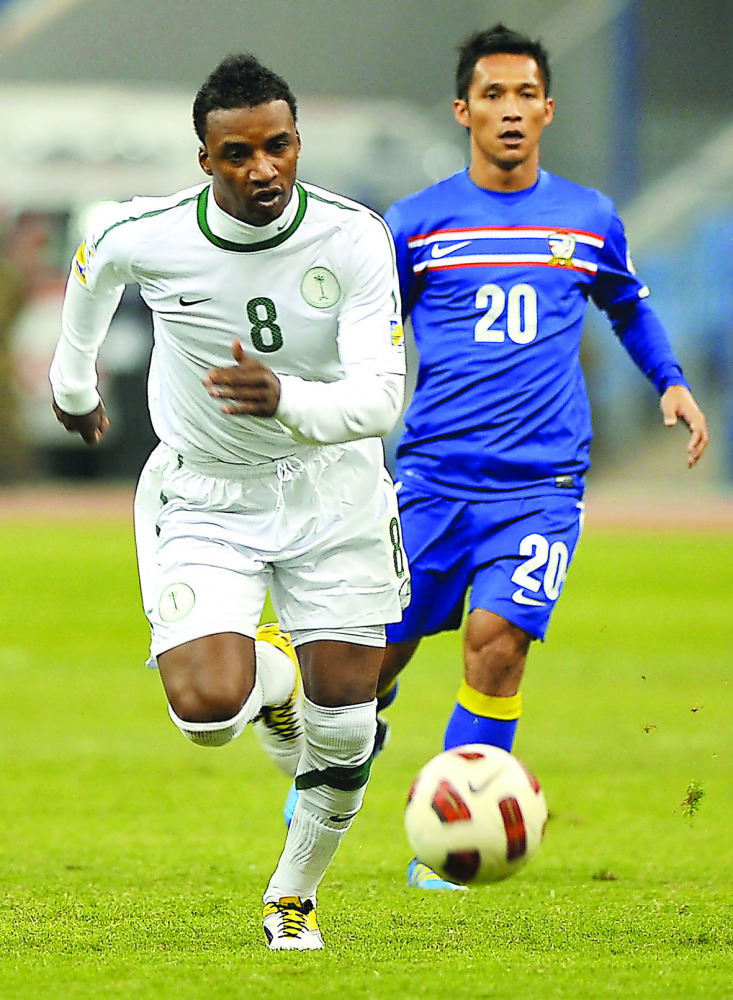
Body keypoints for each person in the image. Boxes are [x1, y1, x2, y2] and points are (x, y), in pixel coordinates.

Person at [49, 53, 408, 950]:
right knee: (206, 712)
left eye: (278, 147)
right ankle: (271, 682)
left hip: (336, 493)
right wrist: (72, 380)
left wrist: (287, 397)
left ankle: (293, 894)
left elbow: (380, 400)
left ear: (297, 142)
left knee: (347, 723)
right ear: (205, 159)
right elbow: (93, 262)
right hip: (207, 495)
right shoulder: (152, 232)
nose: (263, 171)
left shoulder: (355, 237)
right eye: (239, 153)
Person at [378, 24, 709, 889]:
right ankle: (328, 776)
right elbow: (367, 333)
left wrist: (668, 381)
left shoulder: (589, 217)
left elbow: (627, 306)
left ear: (548, 108)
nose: (511, 110)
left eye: (526, 94)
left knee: (498, 644)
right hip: (432, 477)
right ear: (463, 110)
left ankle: (458, 846)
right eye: (493, 95)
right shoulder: (414, 224)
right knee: (376, 652)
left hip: (540, 484)